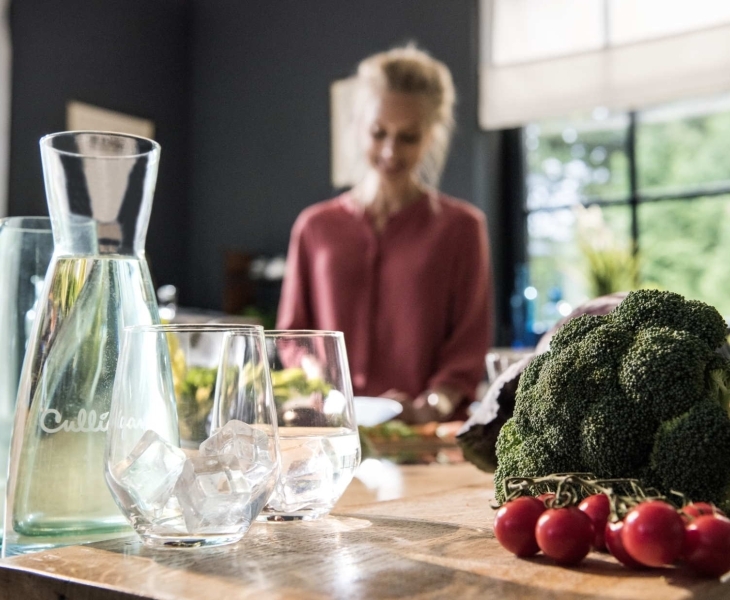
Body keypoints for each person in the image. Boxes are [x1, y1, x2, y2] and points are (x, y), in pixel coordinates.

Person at [277, 45, 493, 424]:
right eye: (379, 133)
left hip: (427, 439)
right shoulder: (315, 227)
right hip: (332, 430)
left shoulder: (462, 228)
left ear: (431, 135)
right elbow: (293, 334)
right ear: (359, 126)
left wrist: (431, 406)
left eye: (408, 137)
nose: (391, 151)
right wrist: (323, 383)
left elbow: (468, 347)